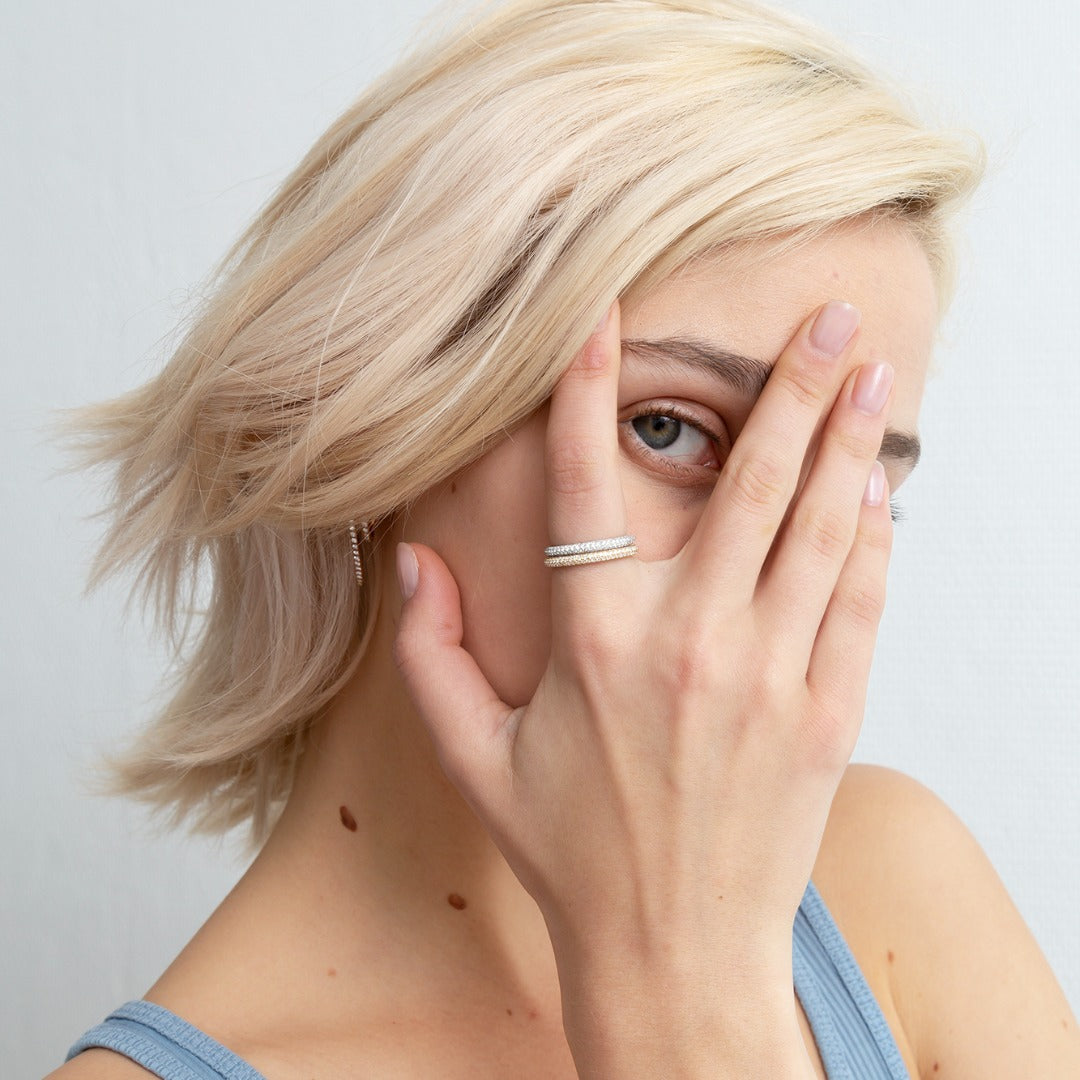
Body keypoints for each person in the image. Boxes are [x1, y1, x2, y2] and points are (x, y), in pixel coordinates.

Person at [49, 0, 1079, 1076]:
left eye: (852, 486)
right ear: (374, 414)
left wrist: (693, 970)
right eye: (669, 428)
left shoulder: (895, 884)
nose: (778, 555)